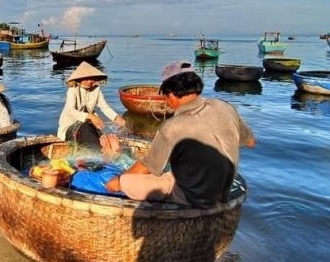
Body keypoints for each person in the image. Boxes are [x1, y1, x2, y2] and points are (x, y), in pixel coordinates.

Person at [105, 70, 256, 208]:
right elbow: (250, 142)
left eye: (165, 98)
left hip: (193, 196)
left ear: (170, 95)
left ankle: (114, 171)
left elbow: (148, 167)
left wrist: (120, 180)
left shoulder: (173, 126)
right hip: (224, 190)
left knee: (116, 183)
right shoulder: (225, 107)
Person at [57, 61, 126, 148]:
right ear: (79, 79)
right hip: (70, 127)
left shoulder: (96, 89)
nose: (89, 82)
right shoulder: (73, 90)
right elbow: (70, 111)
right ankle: (102, 154)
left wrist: (116, 117)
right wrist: (90, 116)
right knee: (86, 128)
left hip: (88, 126)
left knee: (98, 133)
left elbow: (104, 107)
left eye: (92, 78)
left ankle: (103, 152)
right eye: (86, 79)